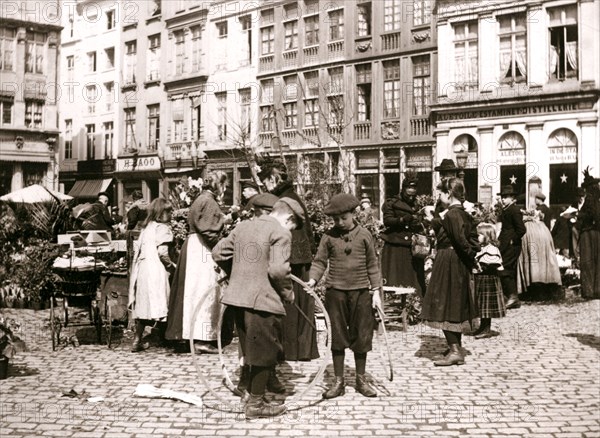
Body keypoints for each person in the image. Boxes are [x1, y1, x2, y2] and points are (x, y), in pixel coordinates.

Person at [212, 198, 305, 419]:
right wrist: (288, 293)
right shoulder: (281, 233)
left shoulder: (243, 226)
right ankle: (255, 405)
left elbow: (218, 253)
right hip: (262, 301)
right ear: (289, 218)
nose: (292, 230)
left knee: (251, 351)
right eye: (294, 226)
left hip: (237, 300)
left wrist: (237, 273)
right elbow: (278, 271)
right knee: (265, 353)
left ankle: (251, 393)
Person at [306, 193, 382, 398]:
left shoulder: (365, 235)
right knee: (337, 336)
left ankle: (360, 379)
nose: (339, 222)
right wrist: (313, 279)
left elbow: (373, 265)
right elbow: (320, 261)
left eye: (344, 218)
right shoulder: (328, 237)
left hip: (361, 293)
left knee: (362, 335)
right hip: (335, 292)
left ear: (353, 214)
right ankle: (338, 382)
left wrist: (375, 292)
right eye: (336, 219)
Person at [259, 158, 319, 368]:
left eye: (266, 181)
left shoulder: (281, 201)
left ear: (273, 178)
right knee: (299, 304)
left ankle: (288, 350)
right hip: (300, 257)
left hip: (287, 258)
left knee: (289, 304)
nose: (264, 185)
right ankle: (300, 350)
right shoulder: (293, 197)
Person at [165, 171, 229, 353]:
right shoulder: (209, 202)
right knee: (205, 291)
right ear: (218, 185)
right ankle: (201, 339)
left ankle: (191, 335)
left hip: (194, 246)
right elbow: (209, 231)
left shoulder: (200, 200)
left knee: (192, 292)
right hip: (202, 248)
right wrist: (223, 245)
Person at [421, 178, 480, 366]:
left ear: (449, 194)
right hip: (456, 261)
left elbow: (461, 241)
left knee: (444, 303)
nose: (439, 197)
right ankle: (455, 347)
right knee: (454, 303)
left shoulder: (453, 214)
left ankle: (455, 349)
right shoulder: (461, 213)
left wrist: (471, 257)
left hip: (449, 261)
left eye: (441, 193)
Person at [128, 198, 175, 352]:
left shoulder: (147, 228)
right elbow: (163, 253)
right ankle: (165, 338)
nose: (171, 214)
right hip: (156, 269)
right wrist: (172, 265)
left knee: (143, 304)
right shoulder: (162, 228)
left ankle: (137, 340)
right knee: (163, 302)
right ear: (161, 213)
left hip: (143, 269)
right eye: (168, 211)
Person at [380, 172, 426, 296]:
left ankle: (414, 304)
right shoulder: (392, 203)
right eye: (408, 194)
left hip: (413, 246)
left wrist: (420, 223)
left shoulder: (418, 204)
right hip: (396, 244)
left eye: (413, 194)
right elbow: (387, 220)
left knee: (413, 280)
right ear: (403, 189)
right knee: (395, 279)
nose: (411, 197)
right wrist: (401, 220)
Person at [471, 223, 506, 339]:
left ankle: (486, 328)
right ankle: (482, 326)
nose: (477, 237)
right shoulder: (482, 248)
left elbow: (492, 264)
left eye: (480, 235)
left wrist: (482, 267)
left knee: (486, 305)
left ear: (488, 236)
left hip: (489, 280)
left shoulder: (491, 249)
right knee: (482, 304)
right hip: (482, 279)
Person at [497, 185, 526, 309]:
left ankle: (513, 297)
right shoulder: (507, 209)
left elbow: (521, 229)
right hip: (505, 244)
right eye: (502, 197)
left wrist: (512, 240)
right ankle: (509, 296)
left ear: (513, 198)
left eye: (505, 197)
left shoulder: (514, 210)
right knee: (504, 269)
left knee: (505, 269)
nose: (503, 199)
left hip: (512, 246)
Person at [577, 167, 600, 299]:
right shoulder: (597, 200)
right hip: (598, 233)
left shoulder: (590, 200)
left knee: (587, 262)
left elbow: (590, 215)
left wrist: (578, 215)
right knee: (597, 261)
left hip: (588, 234)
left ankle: (589, 290)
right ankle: (597, 289)